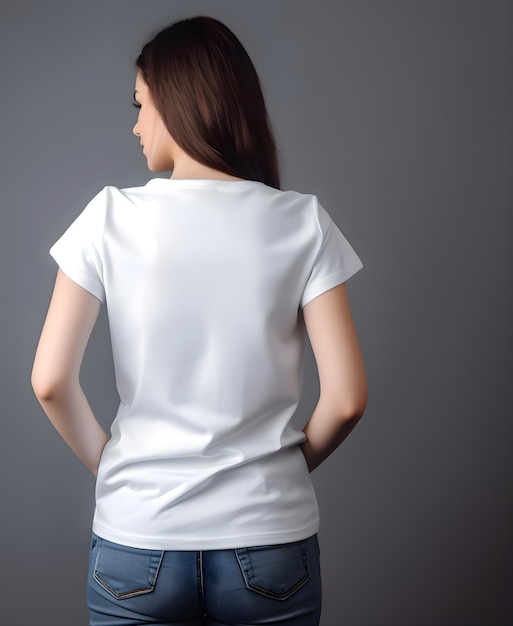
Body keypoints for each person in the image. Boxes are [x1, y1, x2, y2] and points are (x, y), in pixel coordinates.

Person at [31, 15, 367, 626]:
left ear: (178, 101)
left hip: (138, 538)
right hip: (271, 542)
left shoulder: (109, 217)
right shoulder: (302, 221)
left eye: (140, 104)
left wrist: (116, 468)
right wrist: (276, 471)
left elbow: (50, 380)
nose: (135, 125)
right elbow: (345, 400)